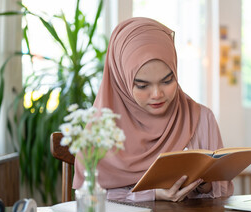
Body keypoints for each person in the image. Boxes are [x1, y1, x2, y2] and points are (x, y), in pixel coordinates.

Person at [72, 17, 233, 202]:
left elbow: (223, 191)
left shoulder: (201, 118)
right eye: (142, 86)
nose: (157, 94)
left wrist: (204, 184)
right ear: (121, 81)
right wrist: (152, 194)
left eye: (167, 81)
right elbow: (88, 200)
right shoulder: (100, 130)